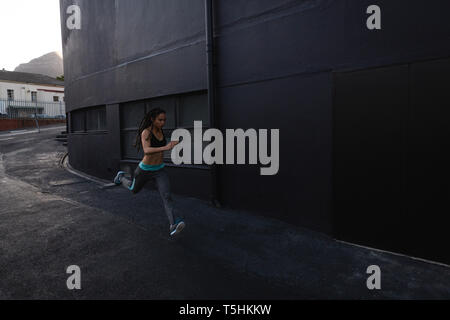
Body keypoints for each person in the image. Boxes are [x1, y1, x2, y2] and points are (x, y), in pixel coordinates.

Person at [113, 107, 185, 237]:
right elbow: (146, 150)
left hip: (159, 169)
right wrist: (166, 147)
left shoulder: (161, 130)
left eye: (164, 120)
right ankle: (121, 177)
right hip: (145, 169)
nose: (163, 122)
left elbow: (161, 145)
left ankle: (174, 223)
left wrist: (173, 143)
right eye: (160, 120)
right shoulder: (146, 132)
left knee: (166, 196)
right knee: (133, 189)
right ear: (152, 119)